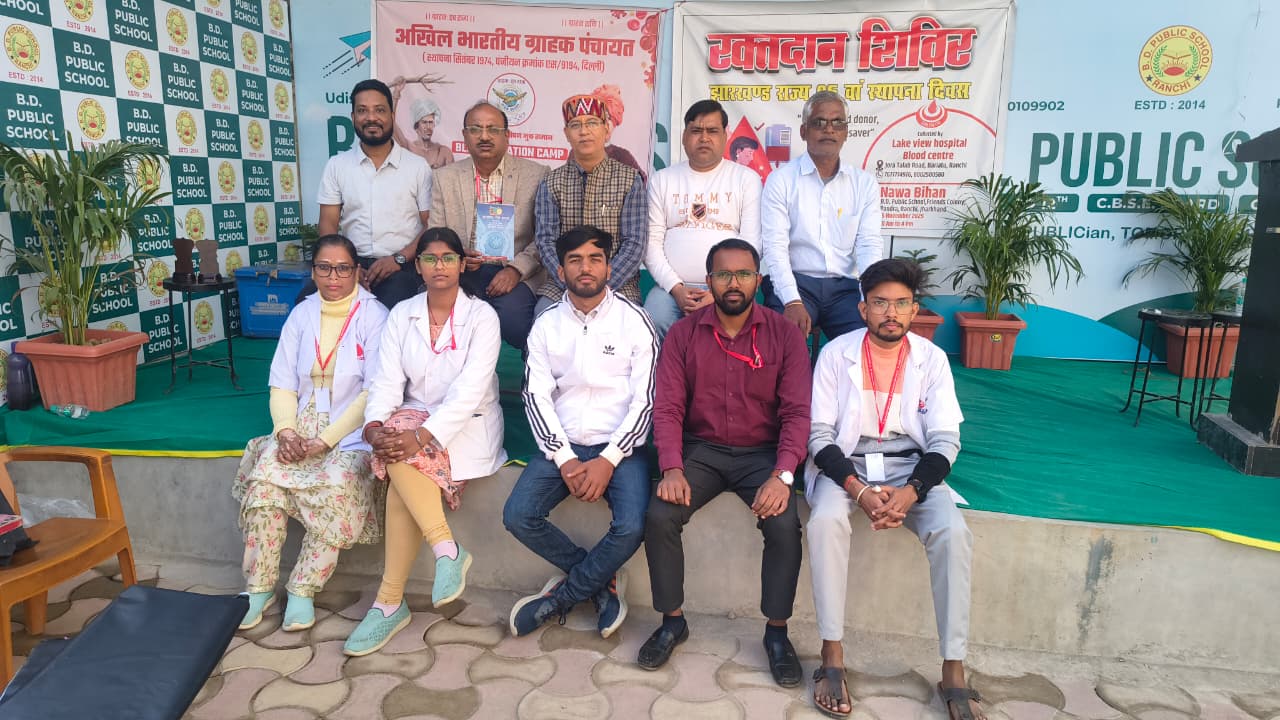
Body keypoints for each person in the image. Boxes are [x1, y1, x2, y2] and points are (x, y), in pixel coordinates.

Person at [804, 258, 980, 720]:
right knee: (825, 521)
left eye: (902, 304)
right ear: (862, 308)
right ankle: (831, 654)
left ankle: (954, 669)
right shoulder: (835, 354)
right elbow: (819, 436)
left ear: (914, 309)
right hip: (847, 467)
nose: (891, 313)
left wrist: (913, 491)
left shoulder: (931, 359)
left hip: (911, 469)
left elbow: (945, 440)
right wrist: (858, 490)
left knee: (954, 533)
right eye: (880, 303)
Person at [640, 239, 811, 685]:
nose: (733, 283)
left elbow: (797, 414)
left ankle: (777, 632)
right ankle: (672, 621)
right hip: (704, 451)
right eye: (723, 274)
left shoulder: (784, 335)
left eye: (743, 274)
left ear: (758, 280)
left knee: (783, 524)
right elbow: (668, 407)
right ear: (709, 280)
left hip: (763, 455)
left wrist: (783, 474)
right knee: (660, 515)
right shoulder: (683, 334)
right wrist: (672, 466)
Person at [342, 227, 507, 656]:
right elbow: (387, 380)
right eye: (430, 258)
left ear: (462, 264)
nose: (439, 266)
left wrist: (421, 437)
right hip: (413, 412)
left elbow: (469, 392)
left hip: (465, 422)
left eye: (448, 258)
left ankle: (389, 602)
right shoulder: (403, 314)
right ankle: (445, 550)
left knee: (402, 457)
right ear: (417, 266)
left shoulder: (482, 317)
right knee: (394, 446)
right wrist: (374, 425)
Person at [503, 226, 657, 639]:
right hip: (564, 443)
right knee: (518, 516)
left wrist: (608, 460)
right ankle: (599, 579)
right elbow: (535, 396)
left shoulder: (635, 321)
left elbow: (646, 401)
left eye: (594, 259)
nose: (585, 268)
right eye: (575, 260)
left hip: (621, 448)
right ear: (560, 269)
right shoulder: (546, 325)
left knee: (632, 526)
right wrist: (564, 457)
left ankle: (562, 598)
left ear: (609, 267)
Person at [233, 234, 389, 632]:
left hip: (350, 431)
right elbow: (282, 383)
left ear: (357, 271)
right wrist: (286, 433)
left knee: (338, 486)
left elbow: (373, 391)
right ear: (314, 272)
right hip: (301, 426)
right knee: (264, 486)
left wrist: (325, 440)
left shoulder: (375, 316)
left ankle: (303, 588)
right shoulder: (301, 314)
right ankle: (259, 587)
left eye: (342, 268)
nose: (333, 277)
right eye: (324, 268)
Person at [761, 90, 884, 341]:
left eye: (837, 122)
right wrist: (792, 300)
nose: (829, 129)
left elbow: (869, 245)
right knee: (783, 341)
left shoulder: (864, 183)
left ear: (846, 132)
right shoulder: (781, 180)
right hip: (797, 283)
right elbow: (775, 247)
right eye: (819, 122)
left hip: (845, 289)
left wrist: (870, 297)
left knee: (866, 342)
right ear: (803, 131)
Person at [428, 101, 549, 351]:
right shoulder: (444, 177)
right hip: (462, 271)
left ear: (507, 135)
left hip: (515, 270)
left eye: (493, 129)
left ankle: (531, 374)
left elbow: (544, 236)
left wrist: (516, 270)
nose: (484, 136)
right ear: (464, 135)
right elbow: (436, 235)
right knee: (447, 319)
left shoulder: (537, 175)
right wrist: (457, 256)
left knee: (516, 321)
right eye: (476, 129)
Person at [644, 99, 761, 340]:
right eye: (696, 130)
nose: (704, 138)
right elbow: (651, 245)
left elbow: (752, 245)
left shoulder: (746, 179)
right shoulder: (662, 180)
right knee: (654, 319)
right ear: (684, 136)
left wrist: (719, 290)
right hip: (671, 288)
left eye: (712, 131)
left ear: (725, 136)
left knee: (734, 327)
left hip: (730, 286)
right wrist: (676, 288)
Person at [317, 78, 432, 309]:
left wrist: (399, 258)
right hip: (351, 265)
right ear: (353, 117)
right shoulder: (337, 166)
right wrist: (346, 267)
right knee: (307, 302)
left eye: (379, 110)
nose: (371, 118)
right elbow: (328, 224)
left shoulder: (417, 167)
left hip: (403, 265)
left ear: (392, 115)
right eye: (362, 111)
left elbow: (431, 225)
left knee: (390, 310)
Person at [533, 94, 646, 314]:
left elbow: (634, 244)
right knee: (543, 315)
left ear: (606, 129)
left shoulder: (629, 179)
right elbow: (545, 241)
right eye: (575, 125)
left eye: (592, 123)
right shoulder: (551, 182)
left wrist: (602, 285)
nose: (584, 131)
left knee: (628, 324)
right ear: (566, 134)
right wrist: (570, 281)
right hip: (562, 284)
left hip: (618, 284)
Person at [392, 87, 455, 169]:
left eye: (430, 122)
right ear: (416, 125)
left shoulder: (444, 151)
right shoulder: (409, 148)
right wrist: (396, 94)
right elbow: (391, 123)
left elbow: (454, 176)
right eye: (424, 122)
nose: (428, 127)